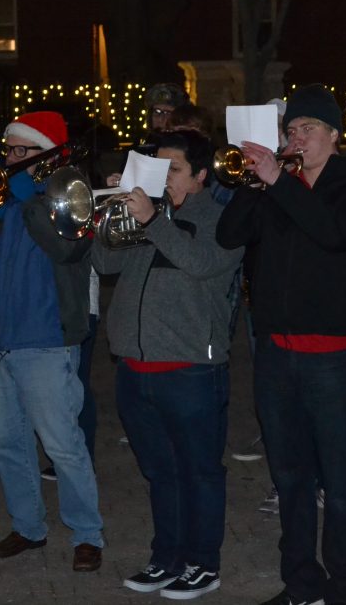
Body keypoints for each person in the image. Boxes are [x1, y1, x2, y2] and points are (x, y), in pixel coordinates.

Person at [217, 84, 346, 605]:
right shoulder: (276, 187)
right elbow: (228, 235)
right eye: (290, 131)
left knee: (338, 483)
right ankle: (300, 583)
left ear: (334, 135)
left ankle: (344, 588)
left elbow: (332, 233)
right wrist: (253, 182)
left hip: (329, 357)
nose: (296, 139)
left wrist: (277, 182)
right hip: (274, 354)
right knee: (289, 478)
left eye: (306, 130)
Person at [0, 111, 105, 571]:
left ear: (49, 155)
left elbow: (69, 249)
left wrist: (29, 201)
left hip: (46, 340)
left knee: (61, 445)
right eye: (9, 150)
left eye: (22, 151)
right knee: (10, 444)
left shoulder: (68, 197)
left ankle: (87, 533)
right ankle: (27, 527)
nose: (11, 159)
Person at [95, 130, 242, 599]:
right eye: (157, 168)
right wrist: (115, 211)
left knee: (199, 472)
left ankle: (204, 563)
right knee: (160, 472)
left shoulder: (222, 219)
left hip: (191, 370)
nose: (163, 178)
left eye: (173, 169)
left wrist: (154, 219)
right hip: (134, 368)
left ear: (201, 174)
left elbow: (200, 263)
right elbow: (101, 261)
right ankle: (167, 558)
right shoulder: (147, 216)